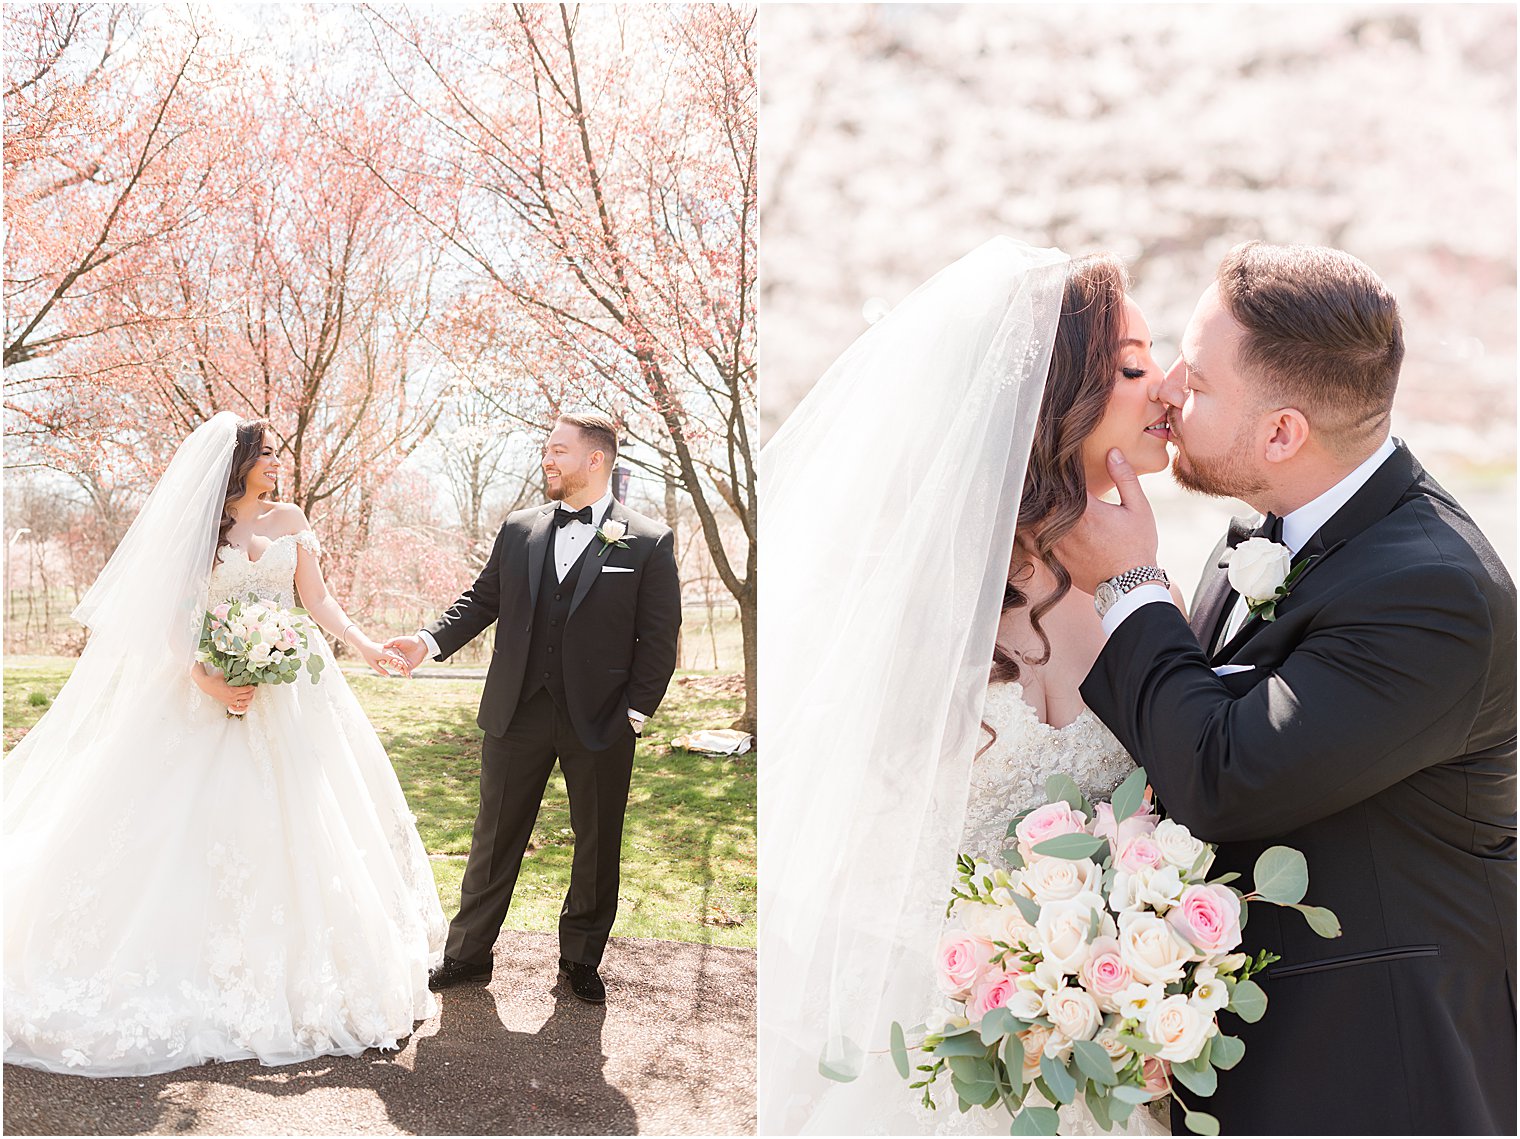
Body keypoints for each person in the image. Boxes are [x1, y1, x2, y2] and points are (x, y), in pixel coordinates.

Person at [1061, 242, 1516, 1135]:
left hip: (1378, 1078)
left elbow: (1225, 776)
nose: (1169, 384)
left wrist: (1128, 585)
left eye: (1199, 375)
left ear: (1282, 433)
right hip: (1236, 1062)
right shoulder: (1263, 527)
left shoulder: (1437, 595)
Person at [759, 239, 1175, 1134]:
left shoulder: (1145, 582)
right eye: (1133, 365)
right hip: (953, 1038)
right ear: (1055, 397)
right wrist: (995, 972)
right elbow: (852, 836)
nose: (1168, 385)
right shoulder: (931, 596)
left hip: (1114, 1048)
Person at [4, 413, 446, 1077]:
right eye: (267, 455)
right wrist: (206, 678)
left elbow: (317, 600)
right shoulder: (202, 530)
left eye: (277, 455)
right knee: (185, 827)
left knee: (305, 825)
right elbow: (177, 619)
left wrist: (363, 645)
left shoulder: (292, 517)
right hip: (211, 690)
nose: (277, 465)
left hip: (294, 693)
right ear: (237, 463)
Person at [384, 411, 682, 1005]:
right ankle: (467, 956)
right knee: (493, 837)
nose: (547, 459)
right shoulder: (519, 529)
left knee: (598, 843)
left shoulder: (647, 540)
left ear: (594, 459)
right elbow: (482, 599)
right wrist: (428, 640)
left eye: (558, 451)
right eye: (546, 450)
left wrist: (635, 713)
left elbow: (660, 634)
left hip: (600, 719)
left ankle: (579, 961)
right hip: (517, 710)